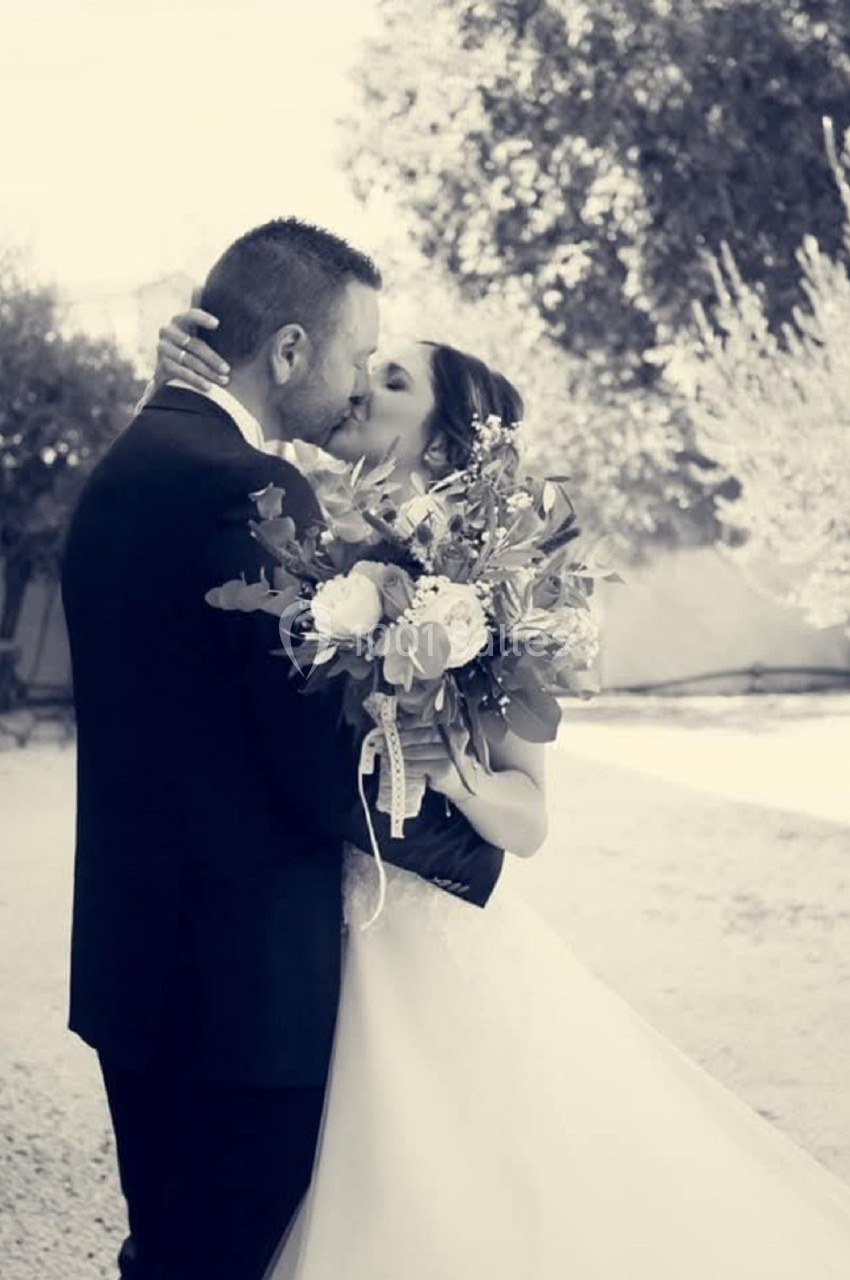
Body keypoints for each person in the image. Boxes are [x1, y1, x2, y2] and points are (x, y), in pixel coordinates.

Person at [152, 310, 850, 1278]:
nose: (360, 383)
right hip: (314, 934)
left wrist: (456, 773)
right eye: (365, 365)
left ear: (438, 438)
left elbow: (530, 818)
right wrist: (192, 375)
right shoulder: (306, 533)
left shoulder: (496, 590)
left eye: (392, 379)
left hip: (424, 935)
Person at [60, 218, 505, 1280]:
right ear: (292, 349)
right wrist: (477, 855)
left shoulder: (133, 462)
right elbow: (312, 762)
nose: (357, 387)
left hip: (143, 970)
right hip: (239, 996)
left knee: (171, 1250)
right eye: (357, 354)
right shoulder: (247, 488)